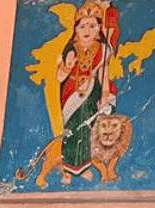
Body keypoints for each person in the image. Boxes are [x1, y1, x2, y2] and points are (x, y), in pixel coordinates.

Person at [54, 1, 118, 186]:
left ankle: (84, 167)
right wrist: (67, 68)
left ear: (99, 28)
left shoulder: (101, 49)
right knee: (71, 131)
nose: (87, 30)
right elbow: (59, 77)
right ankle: (67, 168)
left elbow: (102, 74)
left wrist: (105, 96)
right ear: (76, 28)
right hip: (71, 95)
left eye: (92, 25)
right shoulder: (70, 49)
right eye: (82, 26)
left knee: (87, 131)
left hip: (91, 94)